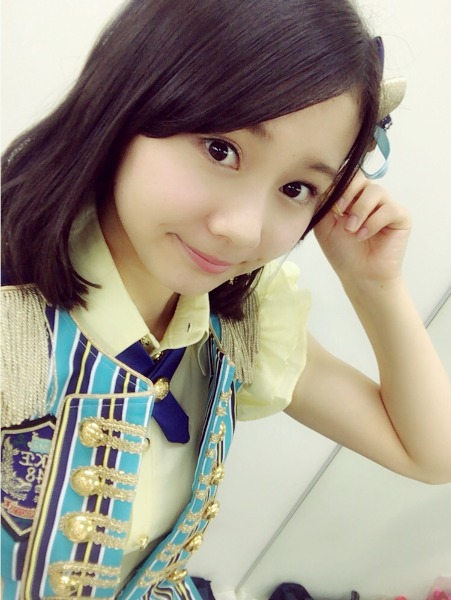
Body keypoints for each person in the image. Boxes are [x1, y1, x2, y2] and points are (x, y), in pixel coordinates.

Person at [1, 0, 450, 598]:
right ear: (129, 98)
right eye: (220, 150)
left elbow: (430, 454)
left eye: (297, 188)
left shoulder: (240, 324)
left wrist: (375, 286)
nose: (243, 229)